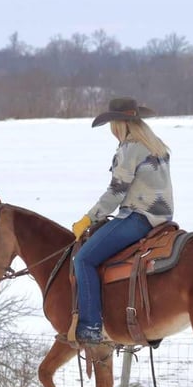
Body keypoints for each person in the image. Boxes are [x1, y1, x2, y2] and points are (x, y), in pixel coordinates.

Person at [71, 97, 174, 344]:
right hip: (162, 218)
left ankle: (91, 325)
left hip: (139, 217)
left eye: (112, 124)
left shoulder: (131, 148)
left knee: (84, 259)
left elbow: (116, 191)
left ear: (119, 123)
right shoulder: (156, 144)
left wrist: (88, 218)